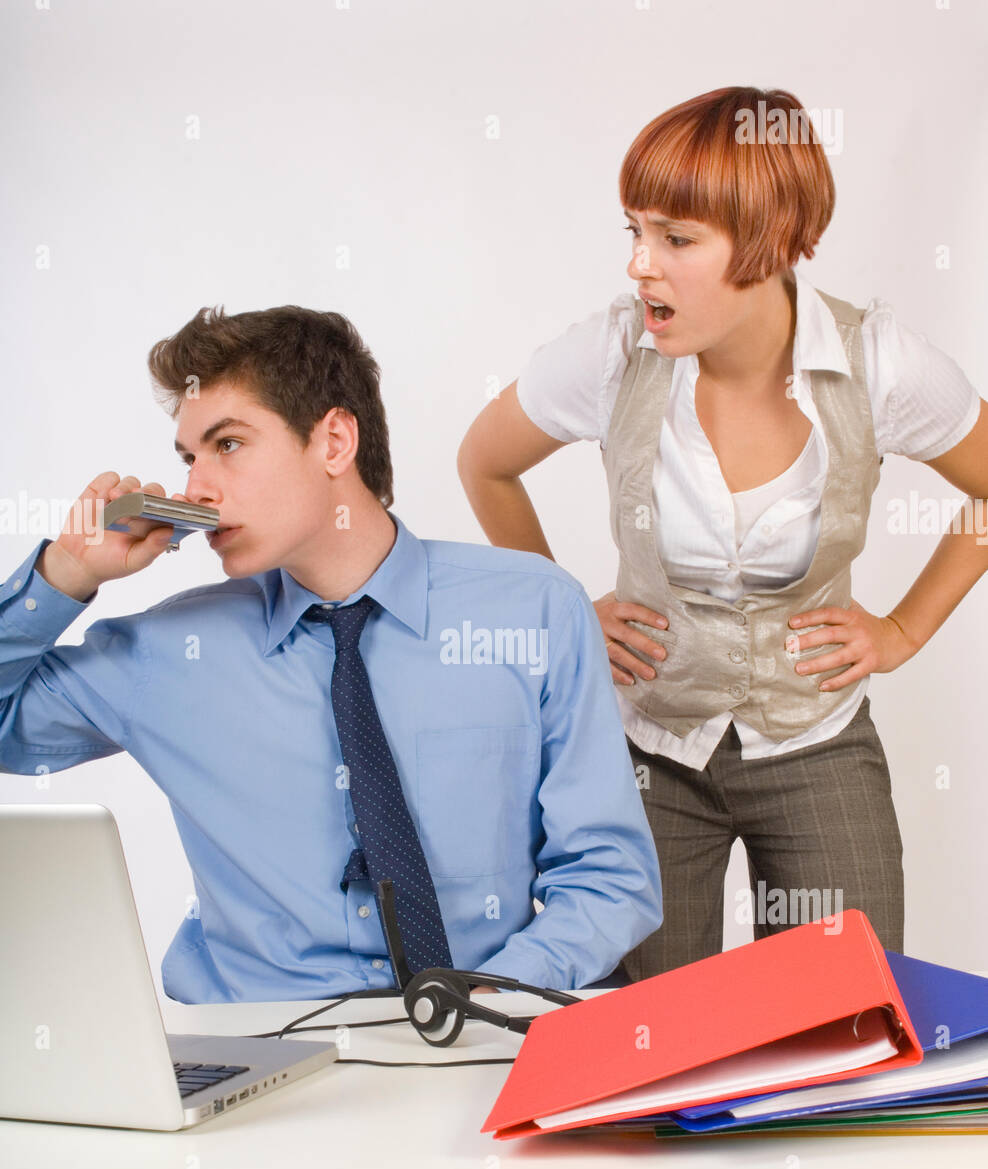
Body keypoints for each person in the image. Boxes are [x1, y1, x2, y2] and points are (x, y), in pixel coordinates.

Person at [457, 85, 987, 979]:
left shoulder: (879, 364)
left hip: (815, 740)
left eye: (676, 239)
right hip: (646, 751)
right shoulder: (612, 355)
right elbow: (485, 463)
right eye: (635, 231)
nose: (640, 266)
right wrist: (567, 612)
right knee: (639, 1057)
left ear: (771, 244)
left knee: (840, 1030)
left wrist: (903, 631)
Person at [0, 306, 662, 1002]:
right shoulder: (168, 652)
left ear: (335, 442)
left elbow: (610, 874)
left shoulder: (536, 611)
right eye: (189, 458)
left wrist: (490, 998)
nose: (196, 489)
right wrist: (65, 574)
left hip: (478, 1041)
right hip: (258, 1068)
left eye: (227, 445)